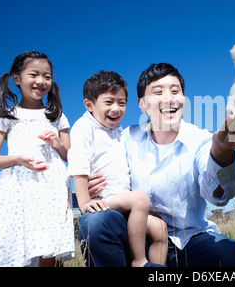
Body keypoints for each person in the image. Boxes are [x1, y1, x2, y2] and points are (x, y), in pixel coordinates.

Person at [80, 63, 235, 267]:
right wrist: (87, 187)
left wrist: (222, 152)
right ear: (142, 104)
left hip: (189, 239)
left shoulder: (201, 140)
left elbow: (218, 196)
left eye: (175, 91)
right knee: (95, 222)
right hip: (139, 237)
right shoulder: (125, 138)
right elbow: (91, 166)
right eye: (158, 92)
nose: (169, 98)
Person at [0, 51, 74, 267]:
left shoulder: (56, 116)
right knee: (17, 243)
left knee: (50, 246)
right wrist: (18, 159)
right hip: (18, 187)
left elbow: (70, 156)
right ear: (16, 79)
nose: (41, 81)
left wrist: (57, 144)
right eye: (33, 75)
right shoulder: (6, 115)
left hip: (52, 187)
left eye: (47, 76)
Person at [68, 71, 167, 267]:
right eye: (109, 102)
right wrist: (84, 202)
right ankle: (139, 261)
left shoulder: (118, 131)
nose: (116, 108)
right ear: (90, 105)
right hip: (104, 200)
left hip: (123, 205)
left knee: (160, 228)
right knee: (140, 198)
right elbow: (78, 165)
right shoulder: (84, 127)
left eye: (121, 103)